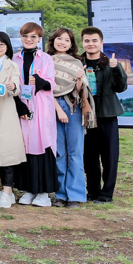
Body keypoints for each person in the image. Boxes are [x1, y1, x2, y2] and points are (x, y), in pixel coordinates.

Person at [13, 22, 58, 208]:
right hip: (22, 107)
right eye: (25, 36)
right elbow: (12, 83)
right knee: (25, 146)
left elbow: (51, 84)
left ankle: (44, 192)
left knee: (42, 144)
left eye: (33, 36)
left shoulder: (46, 58)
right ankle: (29, 189)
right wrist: (19, 106)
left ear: (39, 39)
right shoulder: (15, 58)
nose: (29, 39)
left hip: (40, 108)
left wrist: (40, 81)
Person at [81, 27, 126, 204]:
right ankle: (92, 191)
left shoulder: (111, 62)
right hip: (86, 115)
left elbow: (121, 87)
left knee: (109, 155)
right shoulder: (79, 63)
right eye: (87, 41)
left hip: (107, 114)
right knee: (89, 155)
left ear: (101, 43)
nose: (90, 44)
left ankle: (107, 194)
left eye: (94, 41)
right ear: (83, 42)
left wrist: (116, 69)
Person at [47, 27, 91, 207]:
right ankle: (60, 194)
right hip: (52, 107)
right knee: (59, 153)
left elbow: (81, 91)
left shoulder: (77, 63)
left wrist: (80, 79)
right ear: (53, 40)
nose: (62, 42)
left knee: (75, 153)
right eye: (59, 38)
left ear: (71, 44)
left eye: (66, 40)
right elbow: (45, 88)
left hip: (74, 107)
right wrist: (58, 110)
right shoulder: (46, 61)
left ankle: (76, 195)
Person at [0, 32, 26, 209]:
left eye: (1, 45)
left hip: (4, 112)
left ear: (7, 46)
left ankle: (8, 192)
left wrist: (13, 86)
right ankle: (2, 189)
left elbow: (16, 87)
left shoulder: (12, 65)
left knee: (6, 153)